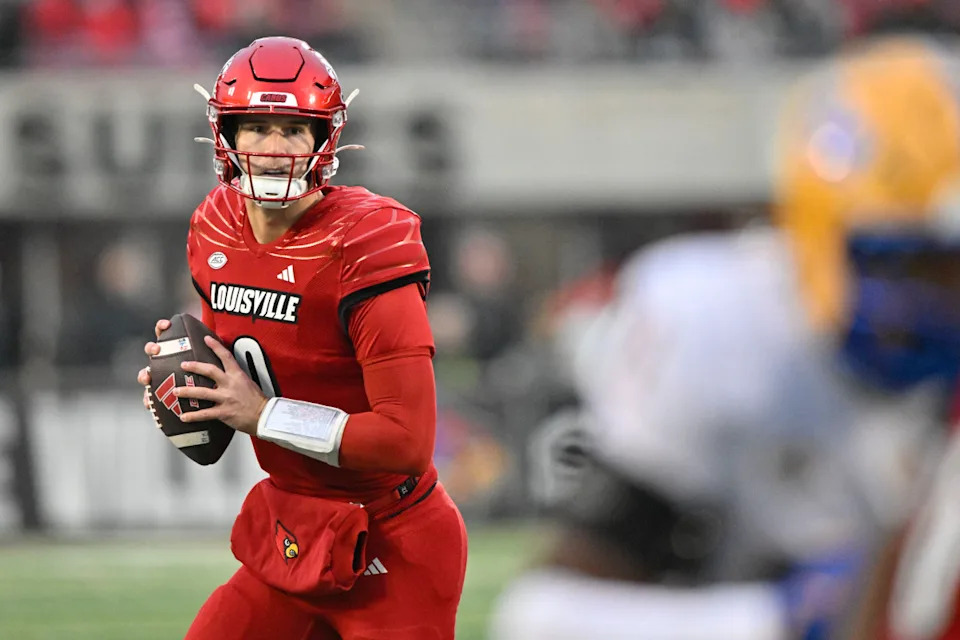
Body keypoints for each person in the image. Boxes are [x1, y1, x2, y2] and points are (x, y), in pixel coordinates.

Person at [489, 36, 960, 640]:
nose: (942, 300)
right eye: (912, 266)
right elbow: (542, 622)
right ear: (819, 238)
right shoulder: (722, 328)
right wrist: (781, 618)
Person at [135, 36, 467, 640]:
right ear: (225, 137)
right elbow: (246, 348)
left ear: (323, 140)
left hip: (394, 539)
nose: (272, 148)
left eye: (292, 128)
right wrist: (188, 375)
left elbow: (407, 440)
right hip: (295, 526)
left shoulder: (368, 243)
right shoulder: (213, 226)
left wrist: (263, 415)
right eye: (256, 127)